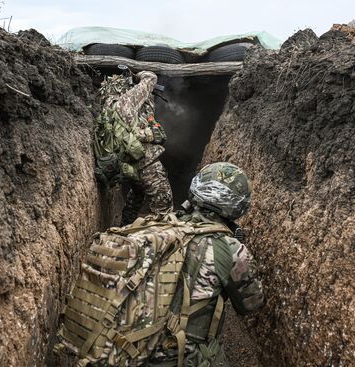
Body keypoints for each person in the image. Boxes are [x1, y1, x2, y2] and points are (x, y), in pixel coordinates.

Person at [147, 162, 265, 367]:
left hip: (133, 345)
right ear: (237, 206)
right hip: (179, 355)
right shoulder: (232, 250)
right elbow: (251, 304)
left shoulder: (159, 225)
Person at [99, 69, 173, 224]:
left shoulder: (107, 109)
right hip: (146, 162)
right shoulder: (126, 102)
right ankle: (160, 239)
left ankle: (125, 228)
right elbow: (150, 78)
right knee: (163, 203)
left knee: (137, 193)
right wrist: (140, 75)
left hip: (127, 165)